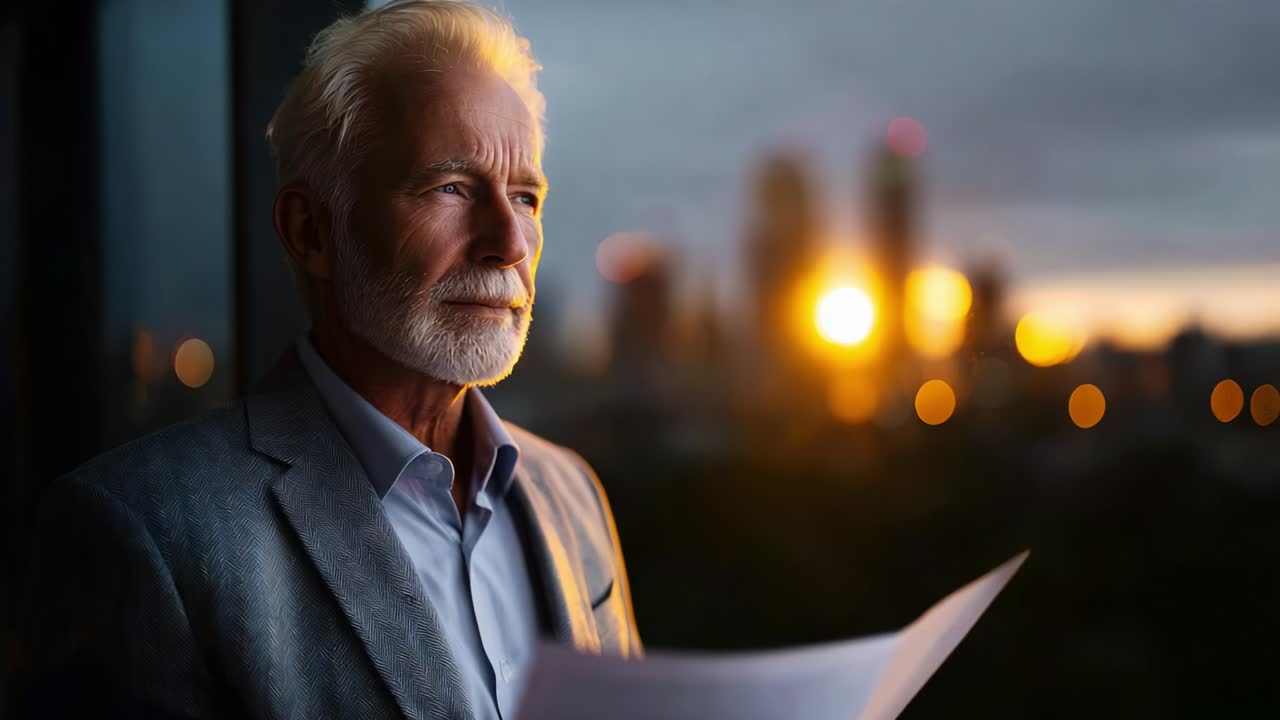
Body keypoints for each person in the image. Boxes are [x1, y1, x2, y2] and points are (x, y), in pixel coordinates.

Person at [9, 2, 641, 718]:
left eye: (526, 196)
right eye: (453, 188)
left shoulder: (573, 495)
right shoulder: (140, 532)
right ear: (312, 231)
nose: (511, 242)